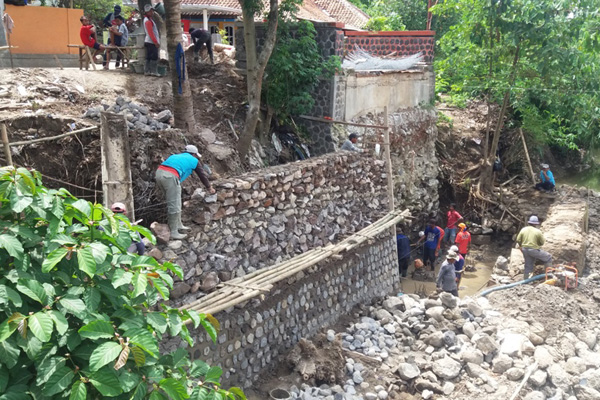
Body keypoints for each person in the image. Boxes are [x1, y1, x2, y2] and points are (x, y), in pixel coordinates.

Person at [155, 145, 215, 240]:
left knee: (175, 201)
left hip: (159, 174)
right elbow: (202, 175)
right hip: (170, 177)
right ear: (194, 154)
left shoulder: (175, 156)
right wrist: (209, 187)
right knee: (174, 203)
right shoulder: (194, 160)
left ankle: (179, 224)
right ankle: (174, 231)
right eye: (196, 155)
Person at [516, 215, 552, 279]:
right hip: (533, 250)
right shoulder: (537, 231)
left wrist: (521, 246)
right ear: (536, 224)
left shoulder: (523, 229)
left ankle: (527, 280)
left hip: (524, 249)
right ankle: (548, 276)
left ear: (529, 222)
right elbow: (542, 243)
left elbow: (518, 240)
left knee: (528, 265)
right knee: (548, 257)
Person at [143, 4, 160, 76]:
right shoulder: (148, 21)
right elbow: (151, 33)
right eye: (151, 11)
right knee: (154, 56)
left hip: (149, 41)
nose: (152, 12)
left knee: (149, 56)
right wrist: (155, 42)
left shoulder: (149, 20)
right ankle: (153, 71)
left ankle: (147, 71)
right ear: (147, 12)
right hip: (151, 41)